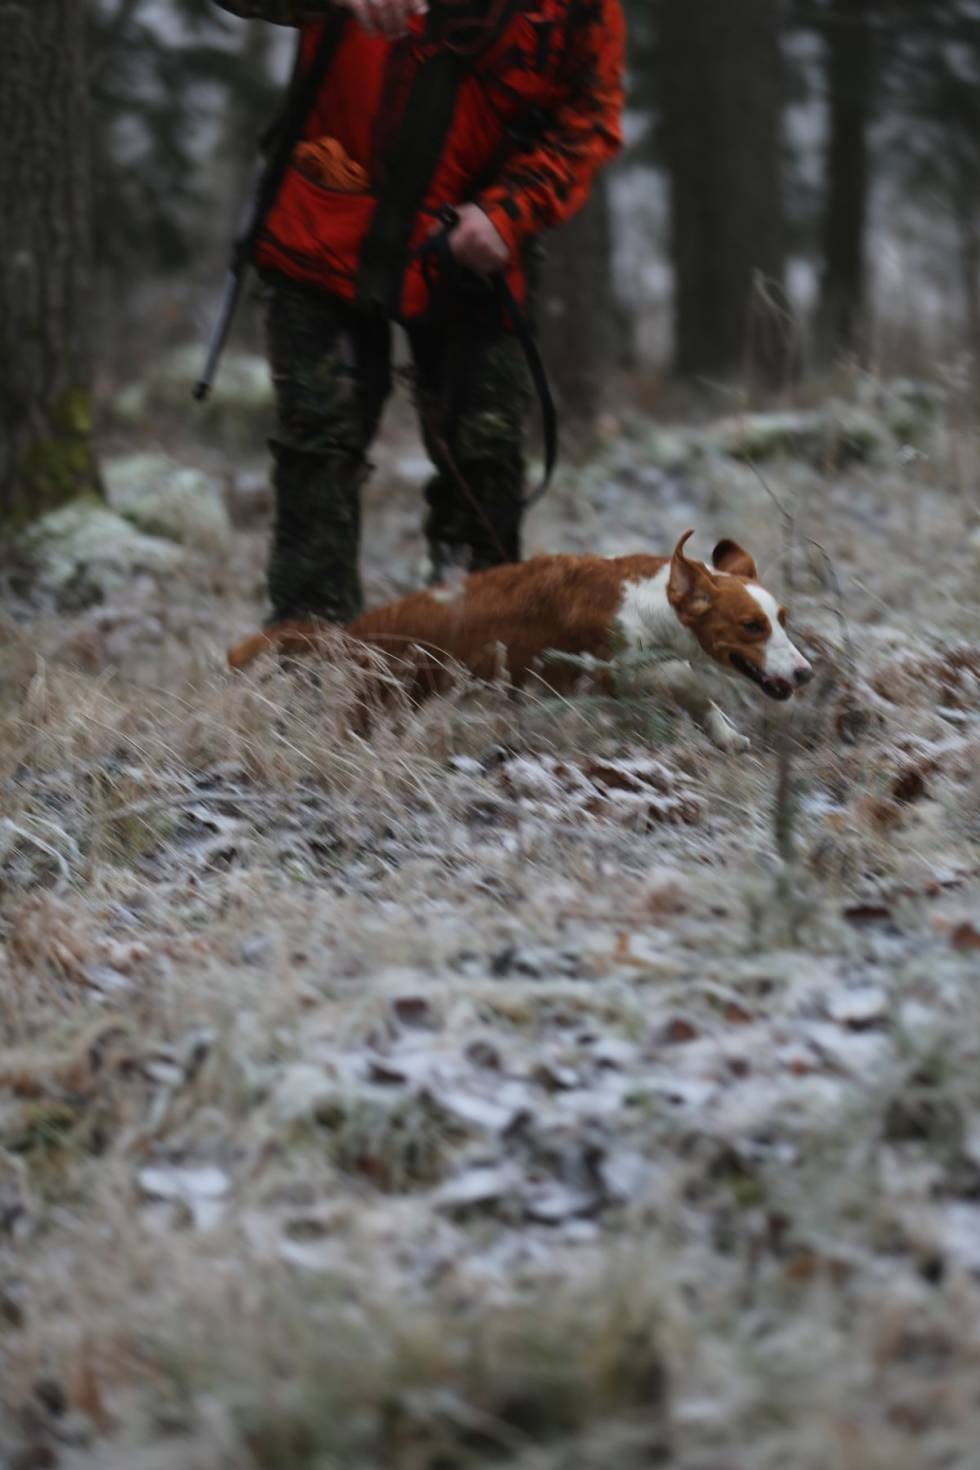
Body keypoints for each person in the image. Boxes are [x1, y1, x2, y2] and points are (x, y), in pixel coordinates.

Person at [212, 0, 625, 627]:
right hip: (322, 224)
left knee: (483, 455)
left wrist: (510, 212)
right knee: (317, 449)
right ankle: (309, 661)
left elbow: (590, 118)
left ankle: (475, 657)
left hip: (470, 248)